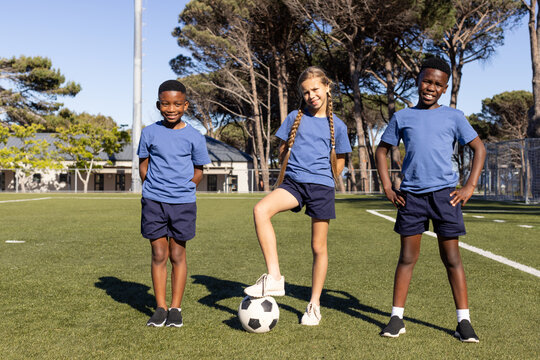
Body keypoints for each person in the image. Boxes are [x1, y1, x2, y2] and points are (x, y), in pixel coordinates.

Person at [375, 57, 486, 342]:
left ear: (445, 87)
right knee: (407, 258)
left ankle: (464, 322)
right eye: (427, 81)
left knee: (452, 259)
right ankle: (396, 318)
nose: (430, 87)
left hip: (446, 197)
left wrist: (469, 186)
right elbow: (382, 150)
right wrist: (388, 187)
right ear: (418, 81)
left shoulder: (454, 117)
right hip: (411, 197)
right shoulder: (402, 116)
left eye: (437, 84)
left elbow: (478, 148)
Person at [244, 66, 352, 326]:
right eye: (305, 92)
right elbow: (282, 149)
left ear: (327, 87)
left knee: (318, 247)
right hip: (293, 184)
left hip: (321, 188)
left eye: (315, 89)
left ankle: (314, 305)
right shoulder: (294, 116)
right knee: (261, 210)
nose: (311, 95)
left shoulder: (338, 125)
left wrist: (325, 176)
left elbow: (341, 163)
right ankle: (274, 278)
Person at [138, 80, 211, 327]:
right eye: (166, 104)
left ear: (186, 105)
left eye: (177, 104)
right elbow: (143, 164)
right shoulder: (149, 132)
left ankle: (176, 308)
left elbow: (199, 170)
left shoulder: (194, 136)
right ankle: (160, 308)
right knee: (159, 253)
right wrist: (151, 187)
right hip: (154, 201)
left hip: (183, 203)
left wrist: (187, 186)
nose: (172, 108)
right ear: (159, 105)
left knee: (177, 253)